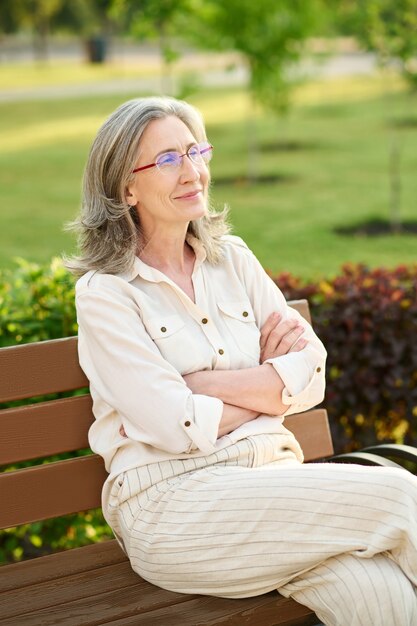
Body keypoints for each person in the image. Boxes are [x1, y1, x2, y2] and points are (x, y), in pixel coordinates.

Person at [68, 96, 417, 626]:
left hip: (273, 487)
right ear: (126, 187)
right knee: (399, 494)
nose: (193, 172)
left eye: (195, 151)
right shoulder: (107, 294)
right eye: (168, 160)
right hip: (175, 507)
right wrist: (268, 390)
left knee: (382, 598)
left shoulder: (232, 259)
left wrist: (203, 384)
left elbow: (312, 375)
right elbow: (174, 424)